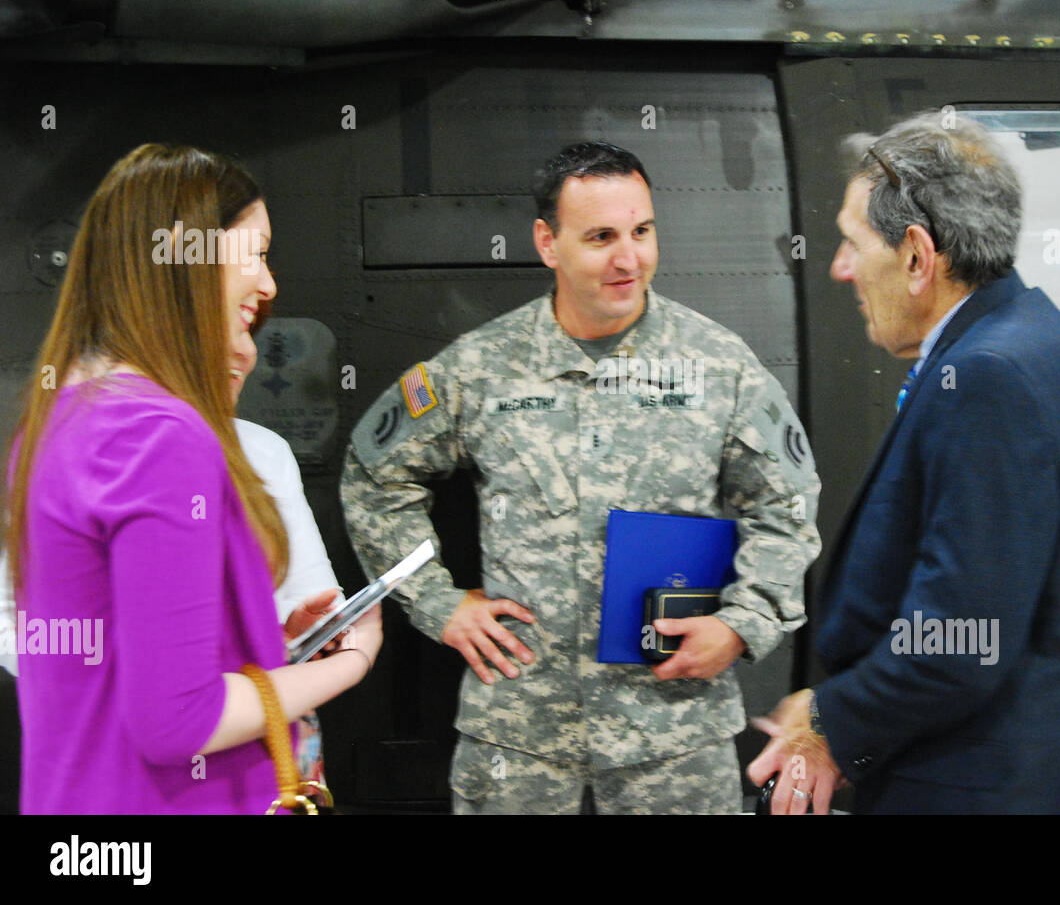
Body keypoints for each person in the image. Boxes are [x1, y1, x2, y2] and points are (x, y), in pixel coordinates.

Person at [341, 141, 821, 814]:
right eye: (601, 237)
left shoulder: (718, 365)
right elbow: (375, 473)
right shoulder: (482, 367)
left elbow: (787, 501)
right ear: (547, 242)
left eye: (642, 232)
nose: (629, 259)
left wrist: (746, 621)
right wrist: (437, 603)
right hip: (520, 731)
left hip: (674, 729)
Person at [747, 111, 1060, 814]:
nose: (840, 267)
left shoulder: (990, 380)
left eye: (852, 242)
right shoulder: (1032, 341)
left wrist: (831, 722)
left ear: (919, 257)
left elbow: (961, 643)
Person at [4, 144, 380, 813]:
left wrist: (255, 640)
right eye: (256, 252)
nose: (269, 286)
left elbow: (122, 665)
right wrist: (350, 664)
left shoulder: (58, 423)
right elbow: (179, 723)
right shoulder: (161, 435)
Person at [1, 327, 343, 784]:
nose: (243, 351)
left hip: (253, 734)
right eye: (221, 331)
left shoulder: (264, 453)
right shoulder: (69, 448)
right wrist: (115, 685)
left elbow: (313, 595)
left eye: (246, 329)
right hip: (119, 747)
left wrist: (295, 636)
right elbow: (12, 620)